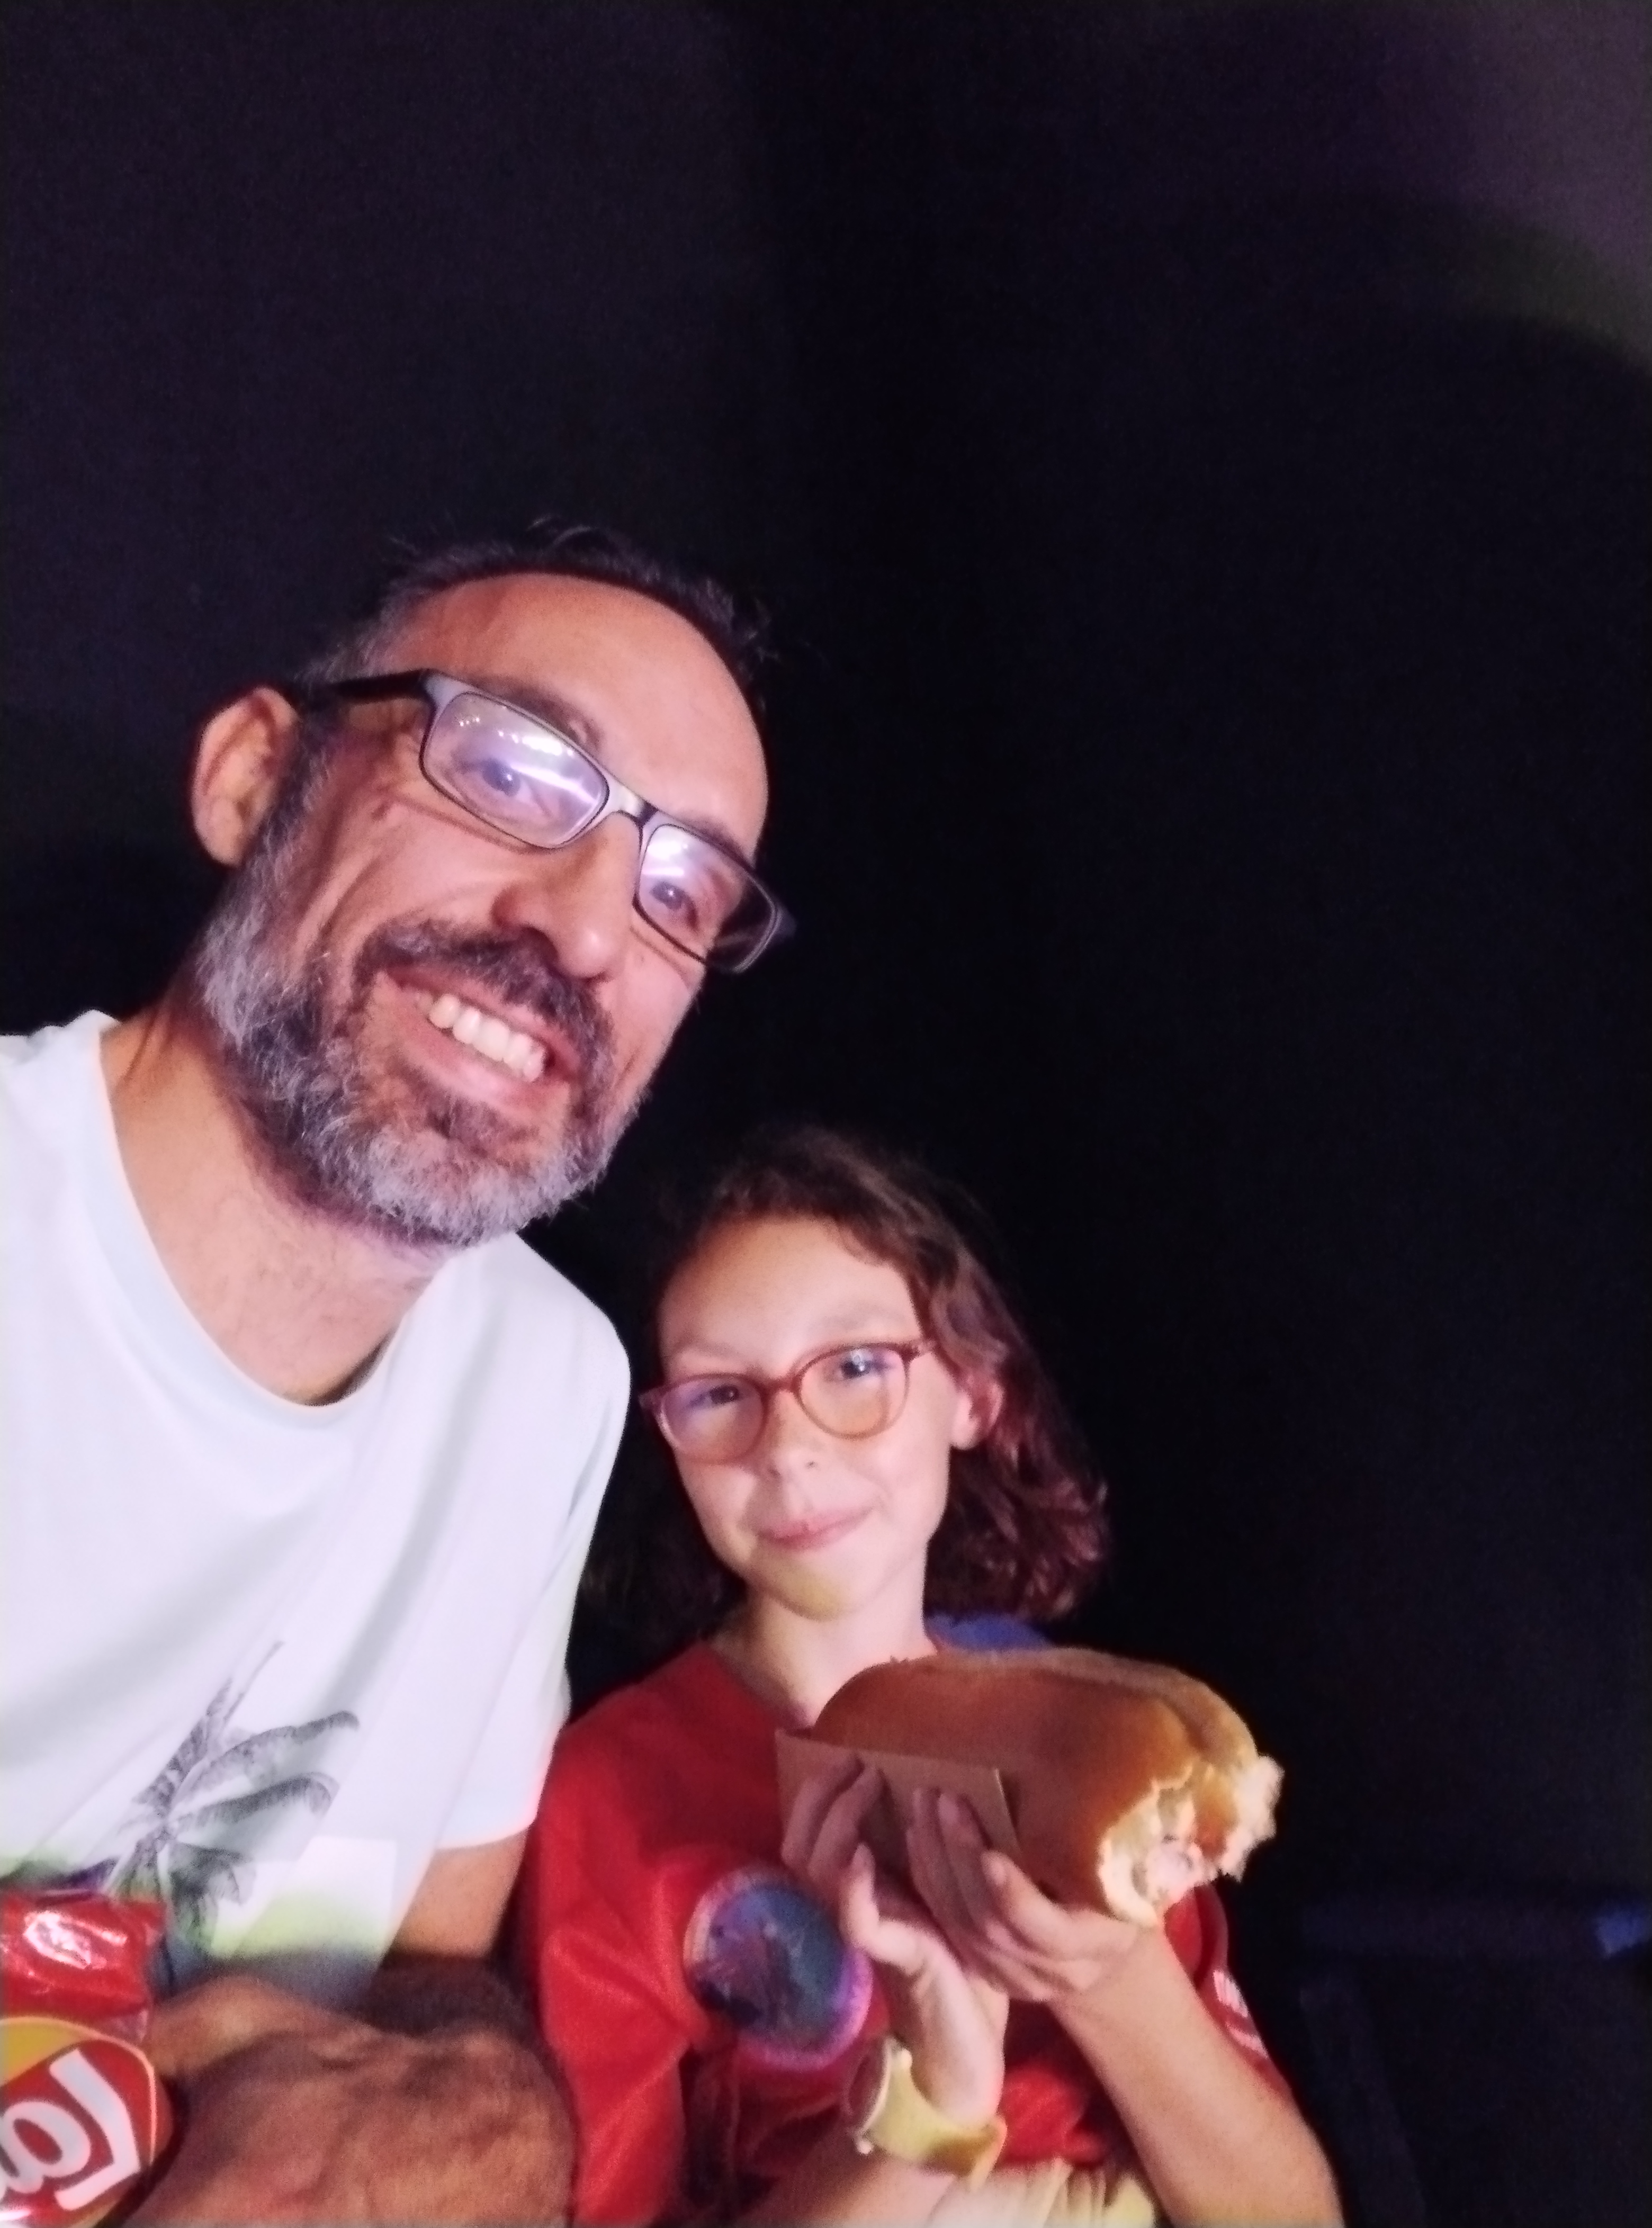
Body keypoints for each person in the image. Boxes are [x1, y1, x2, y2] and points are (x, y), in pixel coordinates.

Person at [0, 523, 789, 2224]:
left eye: (682, 895)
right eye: (511, 772)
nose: (584, 928)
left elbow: (431, 1971)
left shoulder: (546, 1387)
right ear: (252, 779)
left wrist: (490, 2105)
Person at [516, 1125, 1344, 2225]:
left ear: (973, 1392)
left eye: (856, 1368)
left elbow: (1293, 2212)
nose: (788, 1445)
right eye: (719, 1393)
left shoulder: (1096, 1753)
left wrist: (1107, 1976)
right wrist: (934, 2095)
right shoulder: (604, 1798)